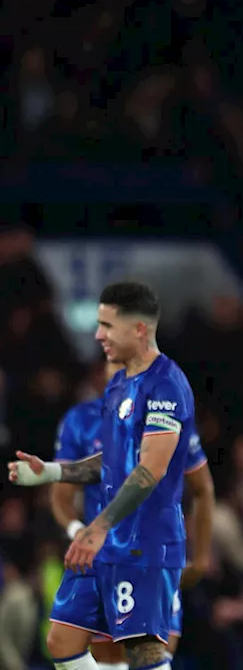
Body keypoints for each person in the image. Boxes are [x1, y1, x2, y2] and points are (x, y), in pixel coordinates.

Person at [9, 281, 197, 670]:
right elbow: (111, 461)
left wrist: (96, 528)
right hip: (108, 541)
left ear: (139, 329)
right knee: (61, 640)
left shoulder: (167, 385)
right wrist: (53, 472)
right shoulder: (117, 386)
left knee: (142, 650)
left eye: (108, 326)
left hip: (146, 542)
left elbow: (151, 468)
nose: (98, 336)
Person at [45, 359, 215, 669]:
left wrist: (201, 558)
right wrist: (76, 531)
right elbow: (62, 494)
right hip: (103, 557)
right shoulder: (81, 420)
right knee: (96, 652)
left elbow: (202, 488)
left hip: (152, 553)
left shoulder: (168, 416)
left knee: (152, 650)